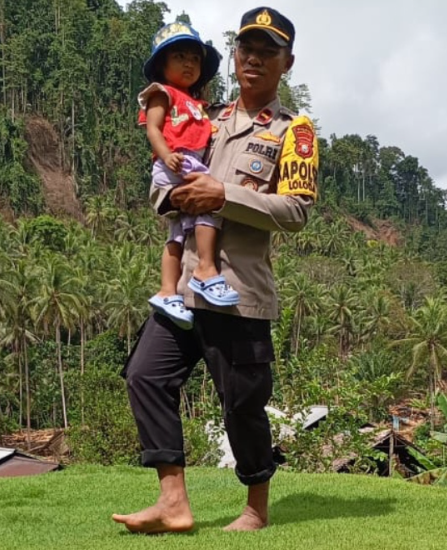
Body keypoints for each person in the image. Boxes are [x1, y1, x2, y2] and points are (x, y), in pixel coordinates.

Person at [112, 6, 318, 533]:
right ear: (234, 54)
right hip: (184, 290)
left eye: (268, 52)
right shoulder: (206, 117)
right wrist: (175, 194)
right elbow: (163, 182)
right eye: (247, 49)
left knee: (242, 404)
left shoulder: (293, 132)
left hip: (239, 293)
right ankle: (173, 502)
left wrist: (222, 195)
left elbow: (296, 212)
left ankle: (256, 508)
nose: (254, 59)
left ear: (287, 63)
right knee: (145, 375)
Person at [139, 22, 240, 331]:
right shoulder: (162, 93)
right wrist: (166, 154)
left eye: (195, 59)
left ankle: (167, 291)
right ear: (162, 64)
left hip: (185, 162)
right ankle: (205, 270)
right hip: (178, 162)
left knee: (178, 234)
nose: (189, 64)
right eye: (180, 57)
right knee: (210, 203)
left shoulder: (197, 104)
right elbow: (153, 128)